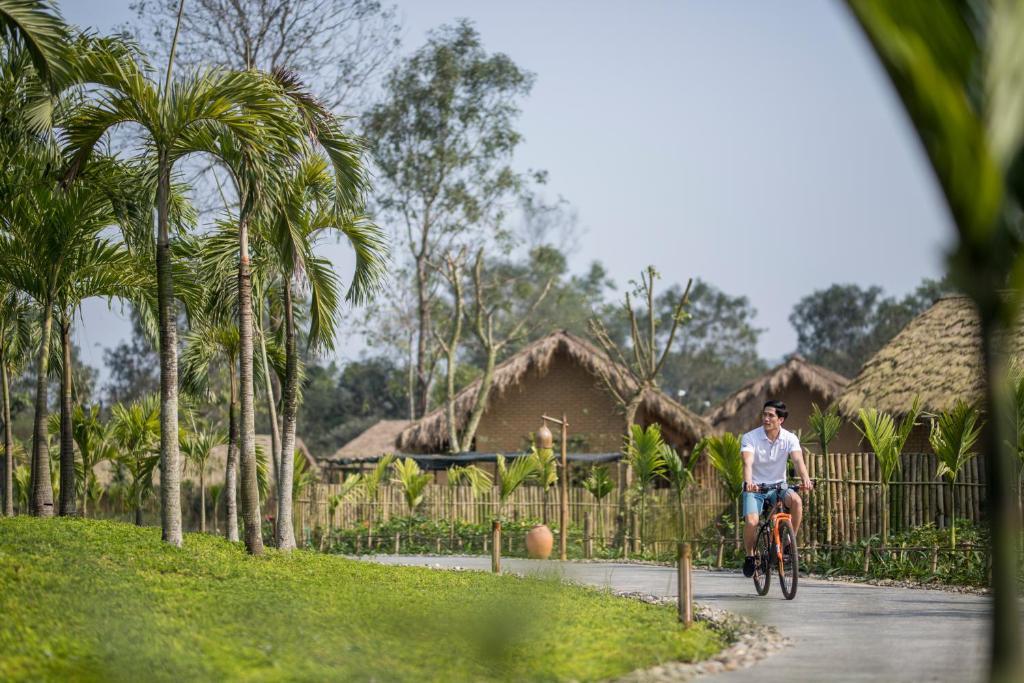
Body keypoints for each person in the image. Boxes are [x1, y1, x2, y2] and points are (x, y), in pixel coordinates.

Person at [740, 399, 813, 578]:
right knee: (752, 522)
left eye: (770, 415)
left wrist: (806, 479)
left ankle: (789, 543)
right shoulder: (750, 437)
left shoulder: (790, 438)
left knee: (796, 500)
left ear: (780, 420)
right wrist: (749, 482)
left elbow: (797, 460)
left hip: (779, 486)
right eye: (764, 415)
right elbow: (747, 462)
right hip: (755, 488)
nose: (766, 418)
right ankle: (750, 556)